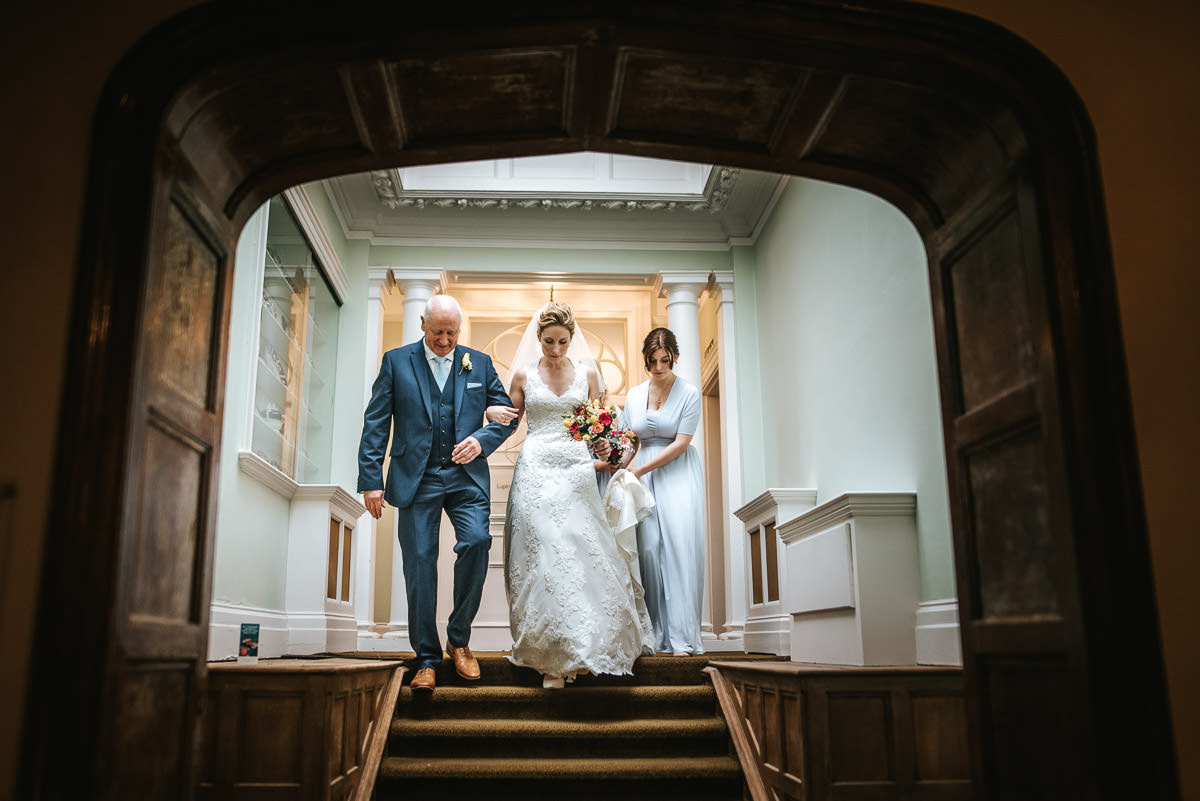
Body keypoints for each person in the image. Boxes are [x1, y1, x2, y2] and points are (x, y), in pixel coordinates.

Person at [357, 294, 518, 692]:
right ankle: (426, 658)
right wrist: (371, 479)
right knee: (419, 563)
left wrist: (482, 439)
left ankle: (459, 640)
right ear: (422, 325)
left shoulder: (478, 362)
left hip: (466, 477)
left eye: (451, 333)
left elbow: (507, 416)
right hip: (417, 476)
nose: (445, 340)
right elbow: (376, 420)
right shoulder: (396, 361)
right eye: (437, 332)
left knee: (478, 541)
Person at [489, 302, 653, 688]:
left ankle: (580, 647)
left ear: (572, 339)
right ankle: (549, 656)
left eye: (563, 342)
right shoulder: (524, 375)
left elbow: (602, 425)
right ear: (539, 338)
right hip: (535, 468)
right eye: (548, 341)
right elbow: (510, 426)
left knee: (578, 550)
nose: (556, 349)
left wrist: (620, 447)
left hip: (576, 470)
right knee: (544, 553)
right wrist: (487, 419)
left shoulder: (589, 372)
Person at [624, 327, 707, 656]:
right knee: (648, 549)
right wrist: (618, 467)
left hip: (677, 473)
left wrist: (642, 468)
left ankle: (682, 637)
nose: (659, 367)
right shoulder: (633, 395)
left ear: (675, 358)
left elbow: (681, 443)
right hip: (640, 473)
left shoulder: (690, 393)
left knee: (676, 549)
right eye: (653, 361)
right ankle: (654, 634)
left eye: (665, 361)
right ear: (645, 359)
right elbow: (631, 439)